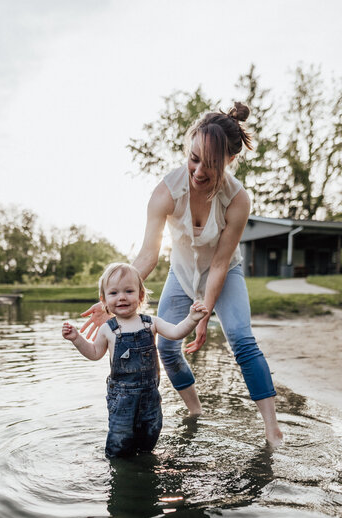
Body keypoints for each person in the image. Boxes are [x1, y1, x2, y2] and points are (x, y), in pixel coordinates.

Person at [81, 103, 284, 447]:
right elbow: (148, 255)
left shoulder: (238, 200)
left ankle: (272, 429)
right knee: (167, 347)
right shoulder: (166, 192)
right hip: (182, 272)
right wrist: (112, 298)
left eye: (212, 164)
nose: (199, 171)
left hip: (226, 273)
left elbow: (219, 264)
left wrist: (203, 315)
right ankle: (195, 412)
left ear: (229, 162)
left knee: (241, 340)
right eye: (194, 158)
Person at [63, 262, 208, 457]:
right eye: (113, 293)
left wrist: (192, 319)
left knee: (150, 434)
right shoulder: (108, 329)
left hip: (150, 398)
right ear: (104, 300)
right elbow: (94, 353)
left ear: (140, 295)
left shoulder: (151, 323)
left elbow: (175, 332)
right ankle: (120, 469)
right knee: (119, 441)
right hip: (121, 399)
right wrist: (77, 339)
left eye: (128, 291)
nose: (122, 297)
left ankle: (143, 462)